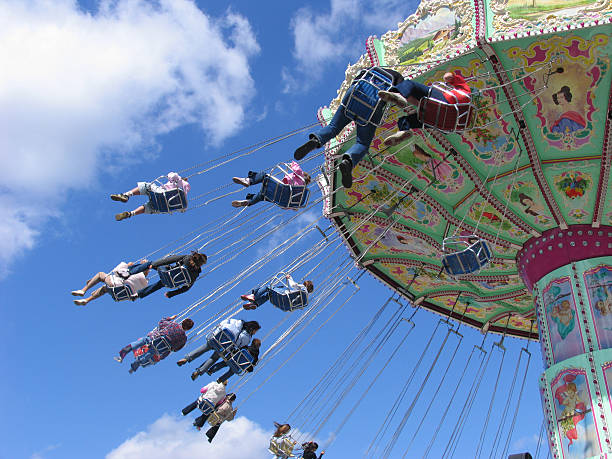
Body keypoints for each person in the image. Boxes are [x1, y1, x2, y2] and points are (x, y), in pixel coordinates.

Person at [293, 66, 404, 188]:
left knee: (333, 127)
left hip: (355, 95)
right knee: (362, 143)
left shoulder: (373, 70)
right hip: (372, 106)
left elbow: (357, 78)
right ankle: (348, 161)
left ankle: (316, 140)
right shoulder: (397, 78)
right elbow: (398, 95)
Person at [378, 70, 471, 145]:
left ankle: (399, 96)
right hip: (444, 123)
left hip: (446, 104)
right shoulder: (466, 107)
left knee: (410, 85)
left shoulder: (464, 87)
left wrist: (448, 76)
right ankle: (404, 130)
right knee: (408, 120)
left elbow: (448, 76)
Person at [176, 319, 261, 381]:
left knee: (204, 348)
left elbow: (223, 323)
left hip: (217, 337)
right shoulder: (246, 337)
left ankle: (186, 358)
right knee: (213, 358)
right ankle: (199, 372)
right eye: (255, 331)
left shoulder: (235, 322)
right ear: (252, 329)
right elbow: (238, 346)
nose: (255, 333)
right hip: (224, 347)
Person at [115, 315, 194, 373]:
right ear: (188, 329)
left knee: (143, 341)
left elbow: (161, 322)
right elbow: (176, 349)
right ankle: (135, 365)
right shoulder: (183, 339)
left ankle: (126, 350)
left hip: (154, 339)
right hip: (160, 349)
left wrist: (171, 318)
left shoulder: (173, 325)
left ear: (183, 322)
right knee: (150, 353)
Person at [112, 172, 190, 221]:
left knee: (147, 186)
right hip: (164, 207)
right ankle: (130, 214)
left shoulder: (177, 180)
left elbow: (172, 175)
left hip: (161, 194)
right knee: (150, 207)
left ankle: (126, 195)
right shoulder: (185, 190)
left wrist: (177, 177)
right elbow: (182, 209)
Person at [128, 251, 207, 299]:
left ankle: (130, 271)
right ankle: (138, 294)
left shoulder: (186, 258)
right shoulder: (195, 274)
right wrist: (171, 294)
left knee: (149, 263)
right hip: (170, 283)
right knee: (160, 284)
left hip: (166, 273)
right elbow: (186, 288)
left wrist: (154, 265)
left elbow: (169, 260)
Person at [231, 162, 311, 207]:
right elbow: (295, 206)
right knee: (262, 195)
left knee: (263, 175)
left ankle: (249, 180)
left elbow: (296, 168)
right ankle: (249, 202)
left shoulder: (299, 176)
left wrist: (291, 164)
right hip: (281, 200)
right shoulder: (301, 191)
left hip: (282, 189)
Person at [71, 261, 149, 306]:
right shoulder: (145, 284)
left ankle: (83, 290)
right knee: (105, 288)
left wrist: (128, 265)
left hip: (116, 285)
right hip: (119, 294)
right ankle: (86, 300)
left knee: (100, 275)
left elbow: (117, 271)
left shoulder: (135, 272)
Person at [242, 274, 313, 310]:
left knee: (268, 287)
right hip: (285, 305)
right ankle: (255, 304)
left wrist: (289, 278)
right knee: (269, 295)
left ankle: (253, 296)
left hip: (284, 295)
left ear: (305, 285)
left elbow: (293, 285)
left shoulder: (303, 288)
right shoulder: (304, 299)